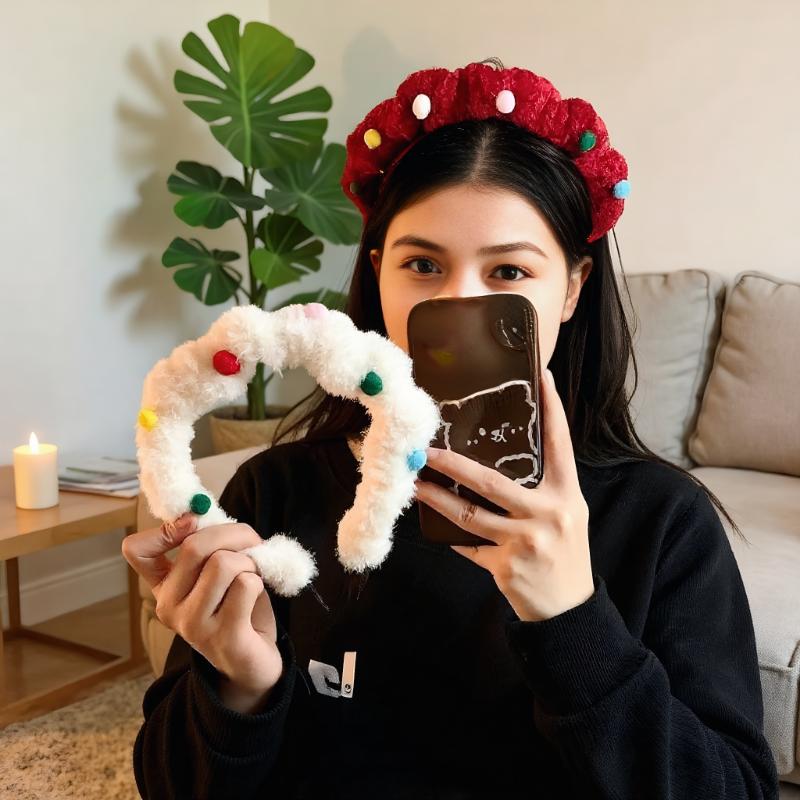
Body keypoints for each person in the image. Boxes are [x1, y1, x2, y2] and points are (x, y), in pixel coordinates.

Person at [122, 59, 780, 799]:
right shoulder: (274, 494)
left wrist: (572, 619)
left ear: (572, 288)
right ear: (378, 275)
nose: (458, 308)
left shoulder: (663, 522)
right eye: (423, 265)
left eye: (509, 273)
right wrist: (242, 686)